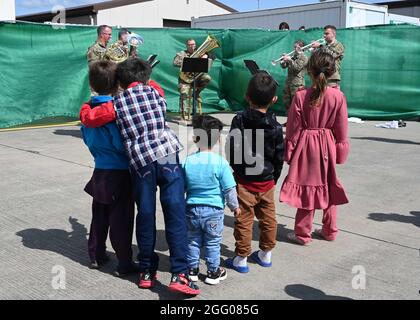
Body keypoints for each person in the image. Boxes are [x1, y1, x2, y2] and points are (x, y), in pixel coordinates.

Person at [79, 57, 200, 296]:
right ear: (145, 77)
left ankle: (146, 271)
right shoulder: (157, 92)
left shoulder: (117, 104)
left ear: (121, 83)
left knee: (145, 213)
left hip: (141, 161)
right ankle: (180, 273)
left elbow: (89, 118)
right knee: (175, 210)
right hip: (167, 155)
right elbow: (150, 84)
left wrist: (85, 106)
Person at [280, 49, 350, 246]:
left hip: (306, 146)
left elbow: (293, 128)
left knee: (307, 188)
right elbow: (341, 129)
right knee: (329, 186)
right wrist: (339, 152)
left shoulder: (301, 95)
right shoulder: (338, 96)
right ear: (331, 71)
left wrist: (290, 152)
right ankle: (330, 230)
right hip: (327, 145)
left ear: (309, 70)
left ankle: (303, 234)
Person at [80, 60, 136, 277]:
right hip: (119, 172)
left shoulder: (87, 113)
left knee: (99, 215)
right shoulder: (113, 113)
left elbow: (88, 139)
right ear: (117, 84)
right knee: (121, 219)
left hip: (100, 169)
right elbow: (120, 145)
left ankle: (96, 254)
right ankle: (124, 263)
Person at [225, 72, 284, 273]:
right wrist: (274, 176)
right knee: (268, 218)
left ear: (247, 96)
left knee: (243, 219)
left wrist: (236, 170)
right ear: (274, 99)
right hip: (266, 180)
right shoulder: (275, 126)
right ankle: (266, 253)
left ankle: (241, 257)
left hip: (244, 180)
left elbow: (231, 148)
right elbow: (279, 156)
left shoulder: (239, 120)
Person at [183, 114, 240, 285]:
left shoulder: (188, 161)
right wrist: (234, 207)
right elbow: (229, 189)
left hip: (192, 209)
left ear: (194, 138)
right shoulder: (220, 163)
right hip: (214, 211)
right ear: (216, 140)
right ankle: (213, 272)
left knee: (192, 239)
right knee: (213, 243)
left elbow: (182, 186)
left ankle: (192, 269)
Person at [173, 38, 213, 119]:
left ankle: (196, 93)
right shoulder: (182, 53)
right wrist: (188, 61)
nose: (192, 46)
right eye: (190, 45)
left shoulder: (200, 52)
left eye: (193, 44)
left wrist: (207, 56)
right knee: (184, 93)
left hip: (196, 78)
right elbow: (175, 62)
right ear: (186, 45)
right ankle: (183, 114)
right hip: (184, 80)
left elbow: (213, 56)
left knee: (207, 78)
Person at [280, 39, 308, 125]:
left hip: (298, 84)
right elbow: (284, 66)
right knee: (287, 103)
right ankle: (290, 121)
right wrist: (283, 60)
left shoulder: (304, 57)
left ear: (302, 48)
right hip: (289, 82)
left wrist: (289, 60)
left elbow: (297, 68)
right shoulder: (293, 57)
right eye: (294, 46)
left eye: (297, 47)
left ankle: (298, 122)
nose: (295, 48)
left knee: (296, 104)